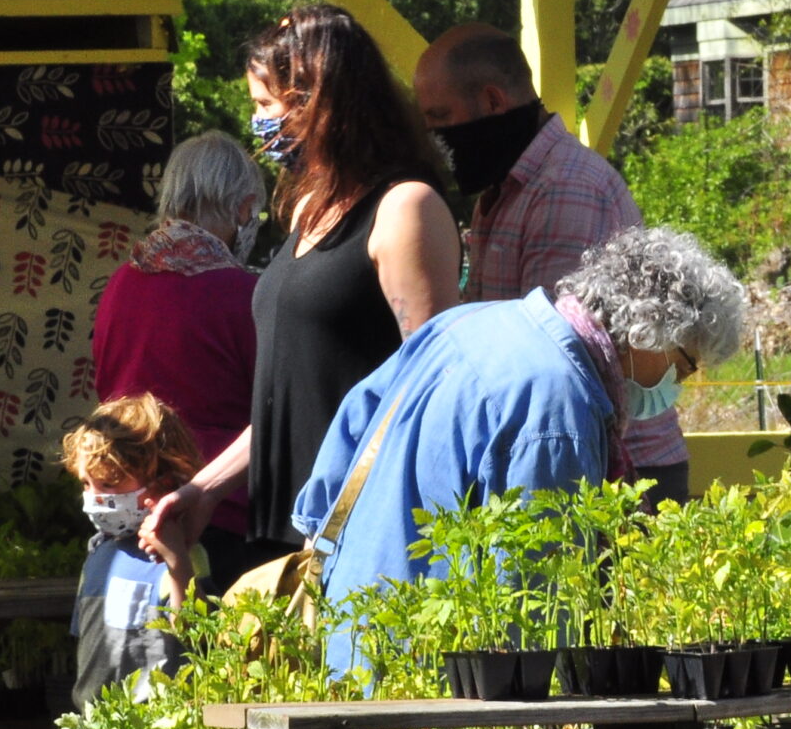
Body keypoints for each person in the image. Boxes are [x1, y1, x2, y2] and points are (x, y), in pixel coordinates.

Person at [292, 228, 748, 645]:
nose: (679, 386)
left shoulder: (471, 321)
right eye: (684, 366)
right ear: (648, 331)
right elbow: (534, 599)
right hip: (423, 669)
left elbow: (352, 426)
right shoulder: (560, 405)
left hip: (351, 618)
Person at [147, 6, 460, 569]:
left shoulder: (405, 208)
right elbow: (290, 398)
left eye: (266, 106)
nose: (259, 125)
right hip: (283, 536)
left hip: (363, 542)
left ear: (317, 101)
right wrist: (207, 488)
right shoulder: (307, 210)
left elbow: (432, 393)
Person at [413, 23, 692, 504]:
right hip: (582, 459)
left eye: (441, 117)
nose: (435, 137)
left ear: (494, 101)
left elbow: (552, 364)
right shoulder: (505, 191)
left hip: (621, 473)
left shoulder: (565, 187)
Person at [90, 133, 263, 592]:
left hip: (127, 513)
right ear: (243, 208)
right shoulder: (242, 296)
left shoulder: (120, 285)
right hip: (220, 518)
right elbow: (272, 409)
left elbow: (106, 392)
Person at [61, 396, 205, 705]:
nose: (94, 498)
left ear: (162, 483)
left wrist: (177, 564)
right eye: (87, 484)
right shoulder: (99, 553)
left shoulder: (186, 555)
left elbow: (198, 639)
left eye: (108, 485)